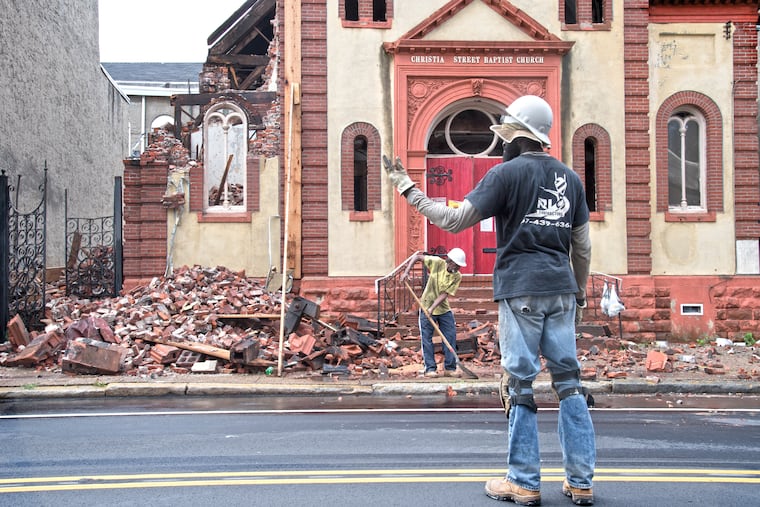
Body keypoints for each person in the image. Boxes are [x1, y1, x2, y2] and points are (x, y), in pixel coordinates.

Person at [384, 94, 595, 506]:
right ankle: (581, 480)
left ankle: (524, 482)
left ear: (517, 135)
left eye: (505, 137)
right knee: (569, 382)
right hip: (562, 290)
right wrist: (580, 292)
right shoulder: (570, 179)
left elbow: (453, 219)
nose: (502, 145)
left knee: (519, 383)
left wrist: (407, 188)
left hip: (521, 290)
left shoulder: (506, 175)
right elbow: (582, 246)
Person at [401, 248, 467, 378]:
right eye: (458, 265)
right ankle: (430, 368)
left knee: (450, 335)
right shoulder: (437, 263)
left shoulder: (457, 276)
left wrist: (432, 308)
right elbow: (417, 257)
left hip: (442, 308)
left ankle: (450, 368)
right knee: (427, 338)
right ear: (451, 262)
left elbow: (444, 294)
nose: (459, 268)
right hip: (425, 305)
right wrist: (406, 272)